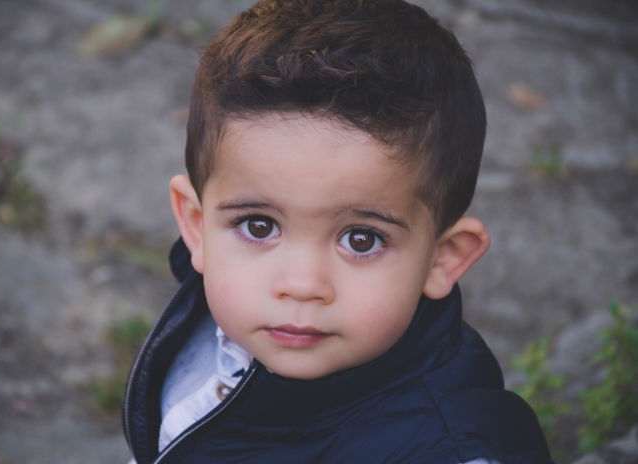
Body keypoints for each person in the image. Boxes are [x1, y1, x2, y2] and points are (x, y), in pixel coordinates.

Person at [123, 1, 553, 462]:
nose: (302, 286)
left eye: (361, 239)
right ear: (197, 226)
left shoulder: (451, 450)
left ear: (443, 258)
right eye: (259, 226)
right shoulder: (210, 325)